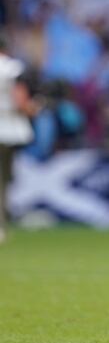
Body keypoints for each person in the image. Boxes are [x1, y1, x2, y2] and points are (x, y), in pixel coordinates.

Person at [0, 36, 35, 243]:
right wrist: (35, 108)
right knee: (3, 180)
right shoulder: (12, 68)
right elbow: (20, 101)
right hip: (8, 128)